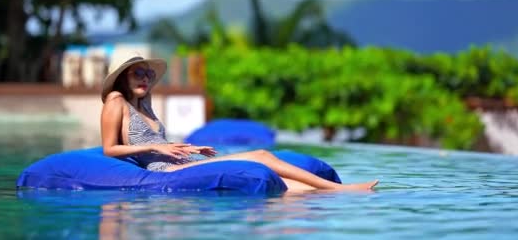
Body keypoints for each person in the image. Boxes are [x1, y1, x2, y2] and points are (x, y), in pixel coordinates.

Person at [100, 56, 379, 192]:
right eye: (138, 73)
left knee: (275, 178)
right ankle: (341, 190)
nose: (145, 78)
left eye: (148, 74)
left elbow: (160, 145)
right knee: (260, 156)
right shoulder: (116, 103)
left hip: (177, 162)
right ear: (124, 77)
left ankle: (331, 194)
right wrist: (161, 151)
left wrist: (188, 148)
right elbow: (109, 149)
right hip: (162, 170)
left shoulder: (145, 106)